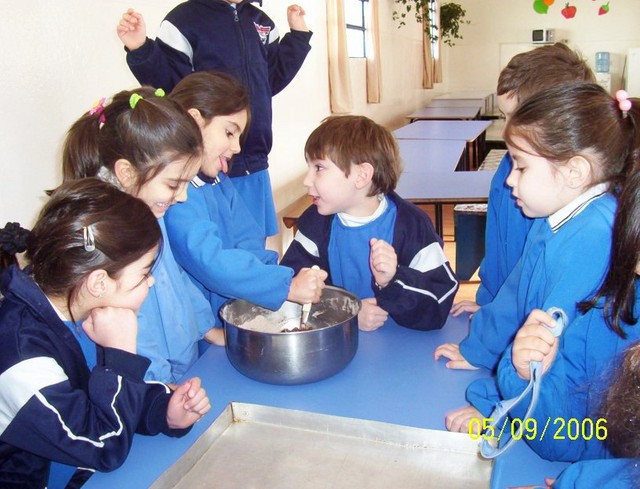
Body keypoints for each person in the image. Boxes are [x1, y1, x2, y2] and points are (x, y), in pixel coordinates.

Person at [441, 85, 638, 436]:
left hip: (578, 424)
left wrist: (495, 407)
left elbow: (557, 364)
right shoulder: (554, 217)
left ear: (575, 172)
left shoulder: (592, 239)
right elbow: (518, 295)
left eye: (521, 167)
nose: (509, 180)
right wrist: (480, 351)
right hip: (548, 397)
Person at [0, 179, 210, 489]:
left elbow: (99, 393)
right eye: (144, 274)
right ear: (99, 283)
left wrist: (162, 411)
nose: (150, 284)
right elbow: (102, 445)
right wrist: (120, 355)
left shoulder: (74, 308)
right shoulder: (21, 352)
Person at [62, 86, 220, 385]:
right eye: (174, 184)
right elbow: (127, 327)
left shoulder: (149, 212)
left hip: (179, 366)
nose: (183, 197)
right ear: (126, 173)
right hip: (146, 384)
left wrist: (206, 328)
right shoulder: (113, 240)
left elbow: (177, 279)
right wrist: (157, 387)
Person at [117, 1, 312, 240]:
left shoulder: (262, 21)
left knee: (251, 241)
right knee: (213, 246)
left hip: (254, 161)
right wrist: (141, 49)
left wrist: (299, 38)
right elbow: (173, 88)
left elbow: (271, 78)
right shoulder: (183, 20)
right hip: (205, 165)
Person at [164, 70, 326, 320]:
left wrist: (283, 278)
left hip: (228, 316)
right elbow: (210, 260)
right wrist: (286, 286)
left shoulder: (220, 182)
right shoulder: (176, 196)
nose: (237, 147)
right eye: (229, 132)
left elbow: (248, 242)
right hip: (197, 328)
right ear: (194, 121)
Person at [451, 43, 595, 318]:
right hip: (501, 313)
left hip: (533, 322)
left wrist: (500, 322)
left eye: (514, 118)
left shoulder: (560, 192)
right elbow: (495, 251)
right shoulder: (506, 169)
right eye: (505, 116)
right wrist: (488, 304)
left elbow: (540, 282)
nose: (505, 130)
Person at [280, 115, 459, 331]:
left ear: (362, 176)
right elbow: (289, 290)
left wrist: (392, 280)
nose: (306, 181)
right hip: (341, 346)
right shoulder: (314, 222)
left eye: (319, 168)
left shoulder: (412, 225)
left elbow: (438, 305)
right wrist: (347, 312)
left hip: (401, 350)